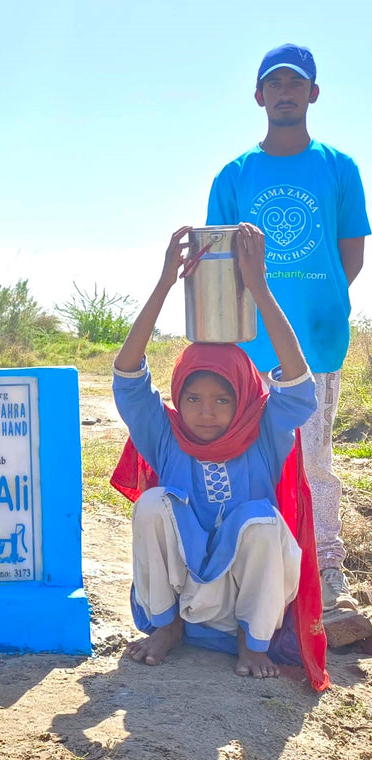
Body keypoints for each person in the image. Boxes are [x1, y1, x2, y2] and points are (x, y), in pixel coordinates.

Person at [110, 224, 328, 689]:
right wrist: (166, 281)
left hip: (251, 600)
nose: (205, 413)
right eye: (193, 399)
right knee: (152, 503)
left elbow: (298, 385)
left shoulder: (263, 433)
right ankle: (166, 626)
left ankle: (254, 642)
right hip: (188, 599)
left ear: (244, 399)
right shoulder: (166, 437)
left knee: (263, 521)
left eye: (221, 400)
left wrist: (259, 287)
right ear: (177, 400)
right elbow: (128, 375)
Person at [206, 44, 371, 639]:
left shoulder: (339, 168)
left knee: (316, 465)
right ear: (258, 97)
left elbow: (348, 257)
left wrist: (310, 304)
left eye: (294, 84)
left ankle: (329, 582)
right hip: (252, 353)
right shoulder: (235, 175)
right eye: (273, 84)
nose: (284, 92)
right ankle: (248, 584)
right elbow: (219, 264)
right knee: (252, 465)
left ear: (313, 94)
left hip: (318, 346)